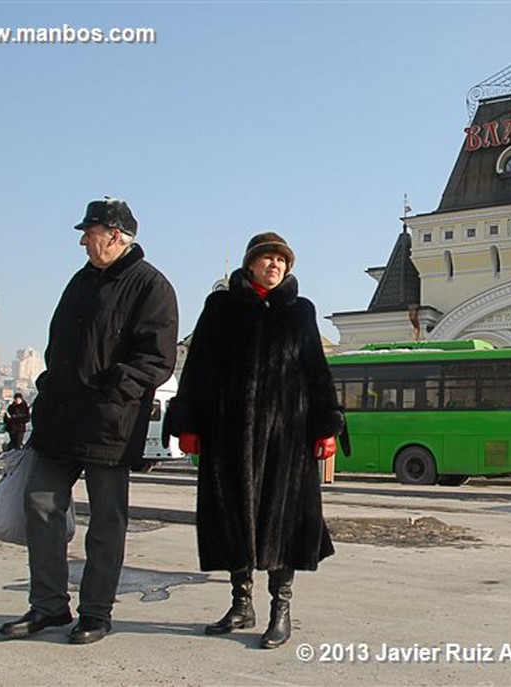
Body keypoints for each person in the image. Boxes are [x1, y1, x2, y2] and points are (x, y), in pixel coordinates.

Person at [0, 197, 178, 645]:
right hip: (59, 420)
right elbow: (58, 342)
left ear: (115, 236)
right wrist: (51, 383)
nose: (83, 240)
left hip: (110, 425)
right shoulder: (80, 281)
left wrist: (112, 392)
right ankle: (48, 606)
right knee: (40, 505)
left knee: (107, 521)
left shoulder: (151, 286)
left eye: (90, 232)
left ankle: (96, 613)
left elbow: (156, 360)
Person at [163, 231, 343, 650]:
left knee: (282, 523)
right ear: (250, 265)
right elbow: (199, 366)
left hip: (286, 438)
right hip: (228, 434)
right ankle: (240, 602)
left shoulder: (300, 312)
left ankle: (281, 609)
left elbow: (317, 372)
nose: (275, 266)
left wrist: (326, 426)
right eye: (268, 259)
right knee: (233, 519)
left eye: (282, 261)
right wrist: (188, 421)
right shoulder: (220, 308)